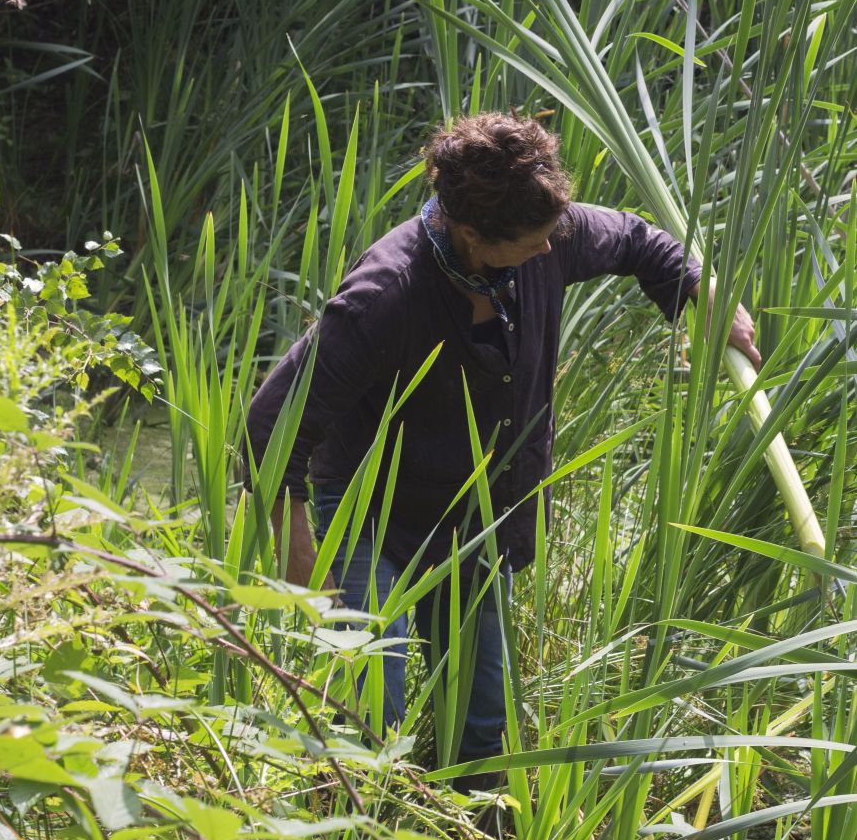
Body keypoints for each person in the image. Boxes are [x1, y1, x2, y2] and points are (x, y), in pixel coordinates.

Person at [243, 112, 760, 770]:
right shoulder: (387, 295)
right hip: (370, 512)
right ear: (472, 235)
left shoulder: (549, 231)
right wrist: (295, 546)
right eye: (534, 241)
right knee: (370, 714)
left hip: (474, 517)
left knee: (481, 724)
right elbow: (270, 423)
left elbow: (636, 241)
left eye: (554, 233)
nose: (551, 250)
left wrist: (698, 286)